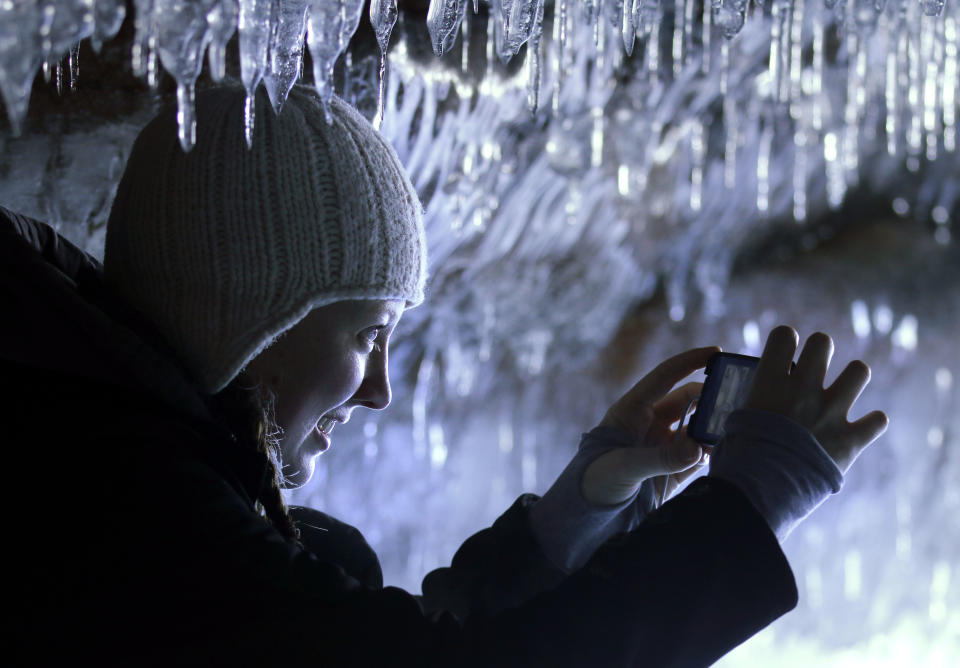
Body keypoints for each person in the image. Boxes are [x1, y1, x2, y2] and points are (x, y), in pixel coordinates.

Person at [1, 84, 887, 667]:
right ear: (257, 320)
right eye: (368, 332)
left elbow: (397, 642)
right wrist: (753, 498)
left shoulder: (110, 460)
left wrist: (578, 511)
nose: (381, 387)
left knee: (337, 554)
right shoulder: (139, 517)